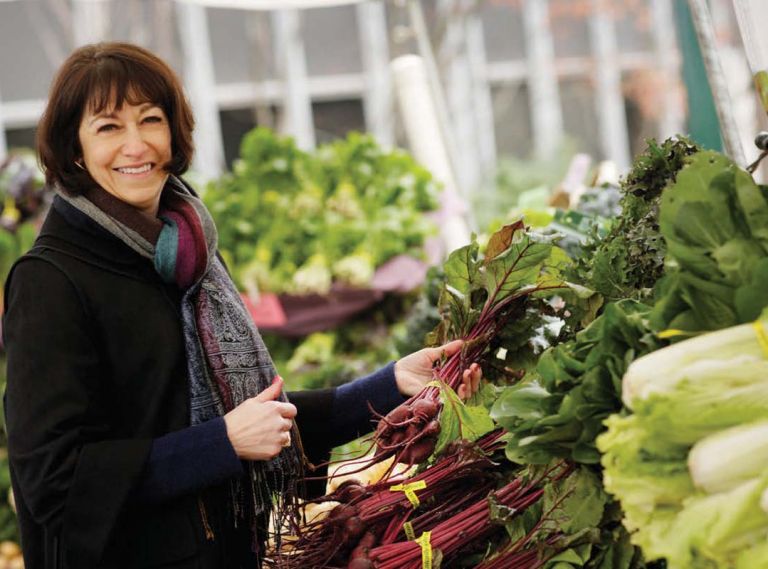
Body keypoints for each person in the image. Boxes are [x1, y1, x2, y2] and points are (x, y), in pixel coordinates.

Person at [2, 42, 481, 569]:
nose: (135, 146)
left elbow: (257, 414)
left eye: (151, 120)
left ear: (174, 133)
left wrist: (391, 385)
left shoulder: (191, 254)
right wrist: (220, 442)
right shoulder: (50, 281)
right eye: (108, 127)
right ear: (74, 148)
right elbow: (53, 480)